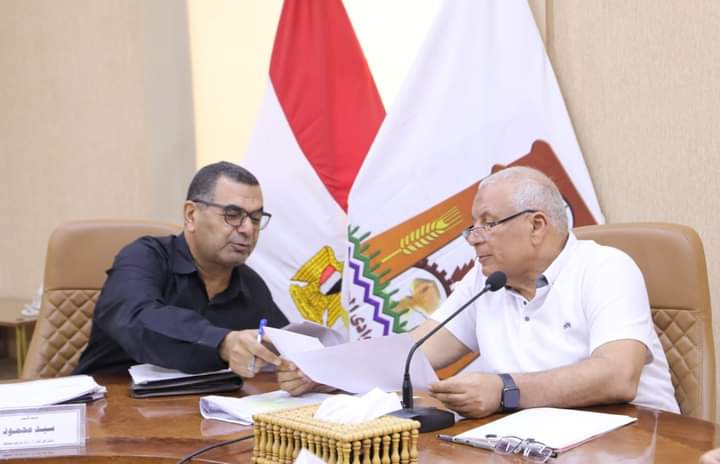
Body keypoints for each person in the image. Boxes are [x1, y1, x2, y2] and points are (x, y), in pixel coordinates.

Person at [278, 166, 679, 417]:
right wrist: (326, 374)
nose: (474, 238)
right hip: (534, 443)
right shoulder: (484, 280)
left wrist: (504, 390)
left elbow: (617, 376)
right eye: (473, 227)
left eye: (488, 223)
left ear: (537, 226)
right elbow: (414, 352)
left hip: (636, 440)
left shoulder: (605, 268)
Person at [74, 161, 288, 377]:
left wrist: (295, 372)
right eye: (232, 215)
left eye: (255, 218)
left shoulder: (250, 283)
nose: (248, 229)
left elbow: (280, 345)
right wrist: (222, 342)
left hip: (203, 398)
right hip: (111, 392)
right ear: (191, 215)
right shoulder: (144, 257)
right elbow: (137, 319)